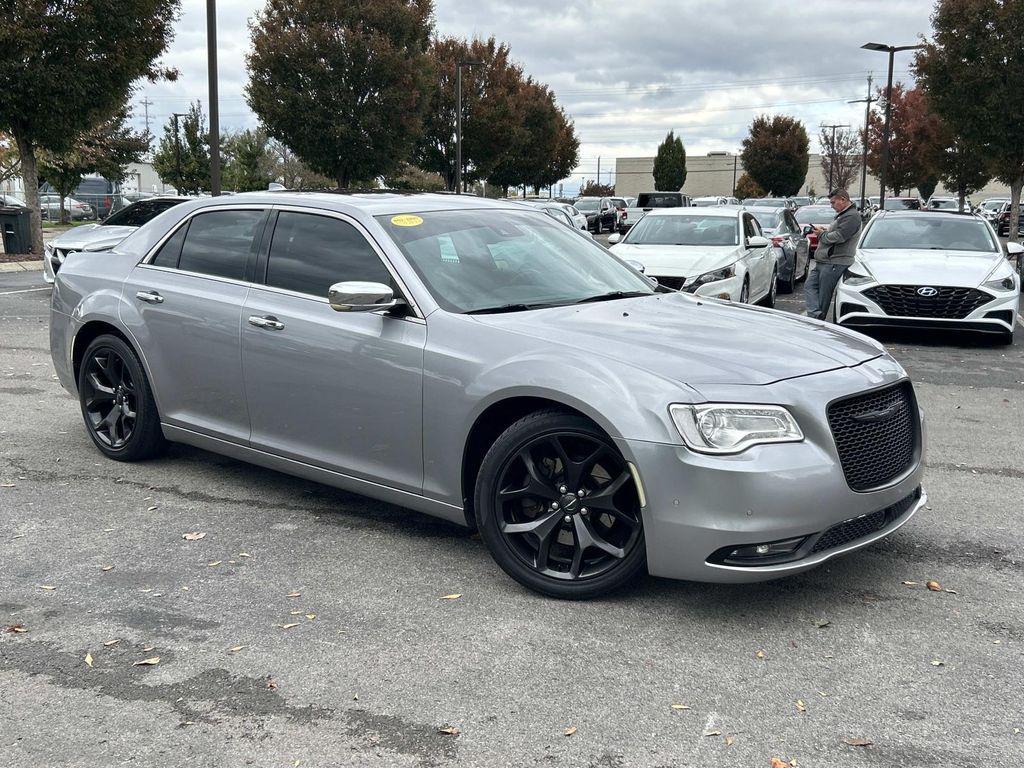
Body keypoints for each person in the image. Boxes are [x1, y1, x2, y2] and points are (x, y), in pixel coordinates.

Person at [804, 188, 862, 320]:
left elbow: (839, 237)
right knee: (809, 286)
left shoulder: (852, 216)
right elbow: (835, 233)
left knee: (823, 295)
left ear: (843, 199)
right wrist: (825, 231)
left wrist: (822, 234)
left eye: (833, 202)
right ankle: (816, 315)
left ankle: (818, 321)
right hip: (824, 261)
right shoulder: (844, 215)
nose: (831, 206)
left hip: (834, 262)